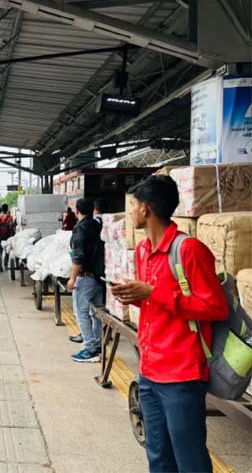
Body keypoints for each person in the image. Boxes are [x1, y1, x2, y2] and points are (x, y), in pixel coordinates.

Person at [111, 175, 228, 473]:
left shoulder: (188, 250)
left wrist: (152, 292)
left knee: (190, 459)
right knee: (158, 456)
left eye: (133, 205)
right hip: (150, 371)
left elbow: (215, 307)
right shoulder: (143, 251)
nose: (131, 212)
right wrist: (134, 296)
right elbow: (157, 304)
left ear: (145, 209)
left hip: (182, 376)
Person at [66, 198, 104, 362]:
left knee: (81, 312)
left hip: (86, 277)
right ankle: (97, 344)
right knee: (96, 313)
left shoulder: (80, 228)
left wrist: (72, 278)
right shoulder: (97, 225)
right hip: (99, 276)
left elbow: (78, 257)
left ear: (77, 211)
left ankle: (89, 349)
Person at [0, 204, 15, 272]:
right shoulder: (9, 217)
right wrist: (12, 235)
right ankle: (5, 264)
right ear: (7, 209)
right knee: (7, 250)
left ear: (2, 209)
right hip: (7, 236)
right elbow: (11, 227)